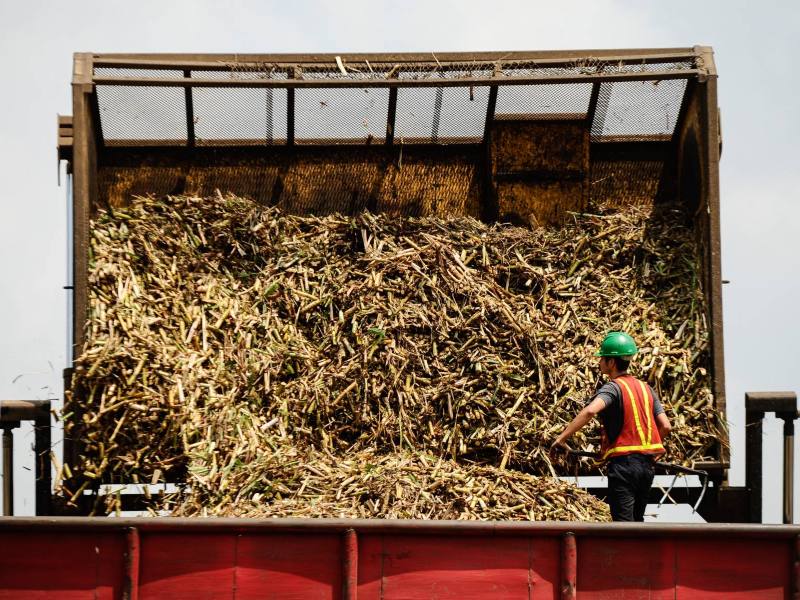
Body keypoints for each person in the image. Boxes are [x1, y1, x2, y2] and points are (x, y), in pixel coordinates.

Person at [550, 331, 672, 522]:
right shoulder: (646, 388)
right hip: (646, 466)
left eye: (602, 359)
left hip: (624, 466)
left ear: (612, 363)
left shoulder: (613, 388)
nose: (599, 363)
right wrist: (649, 452)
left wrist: (561, 438)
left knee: (623, 527)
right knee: (637, 523)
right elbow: (666, 426)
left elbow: (590, 411)